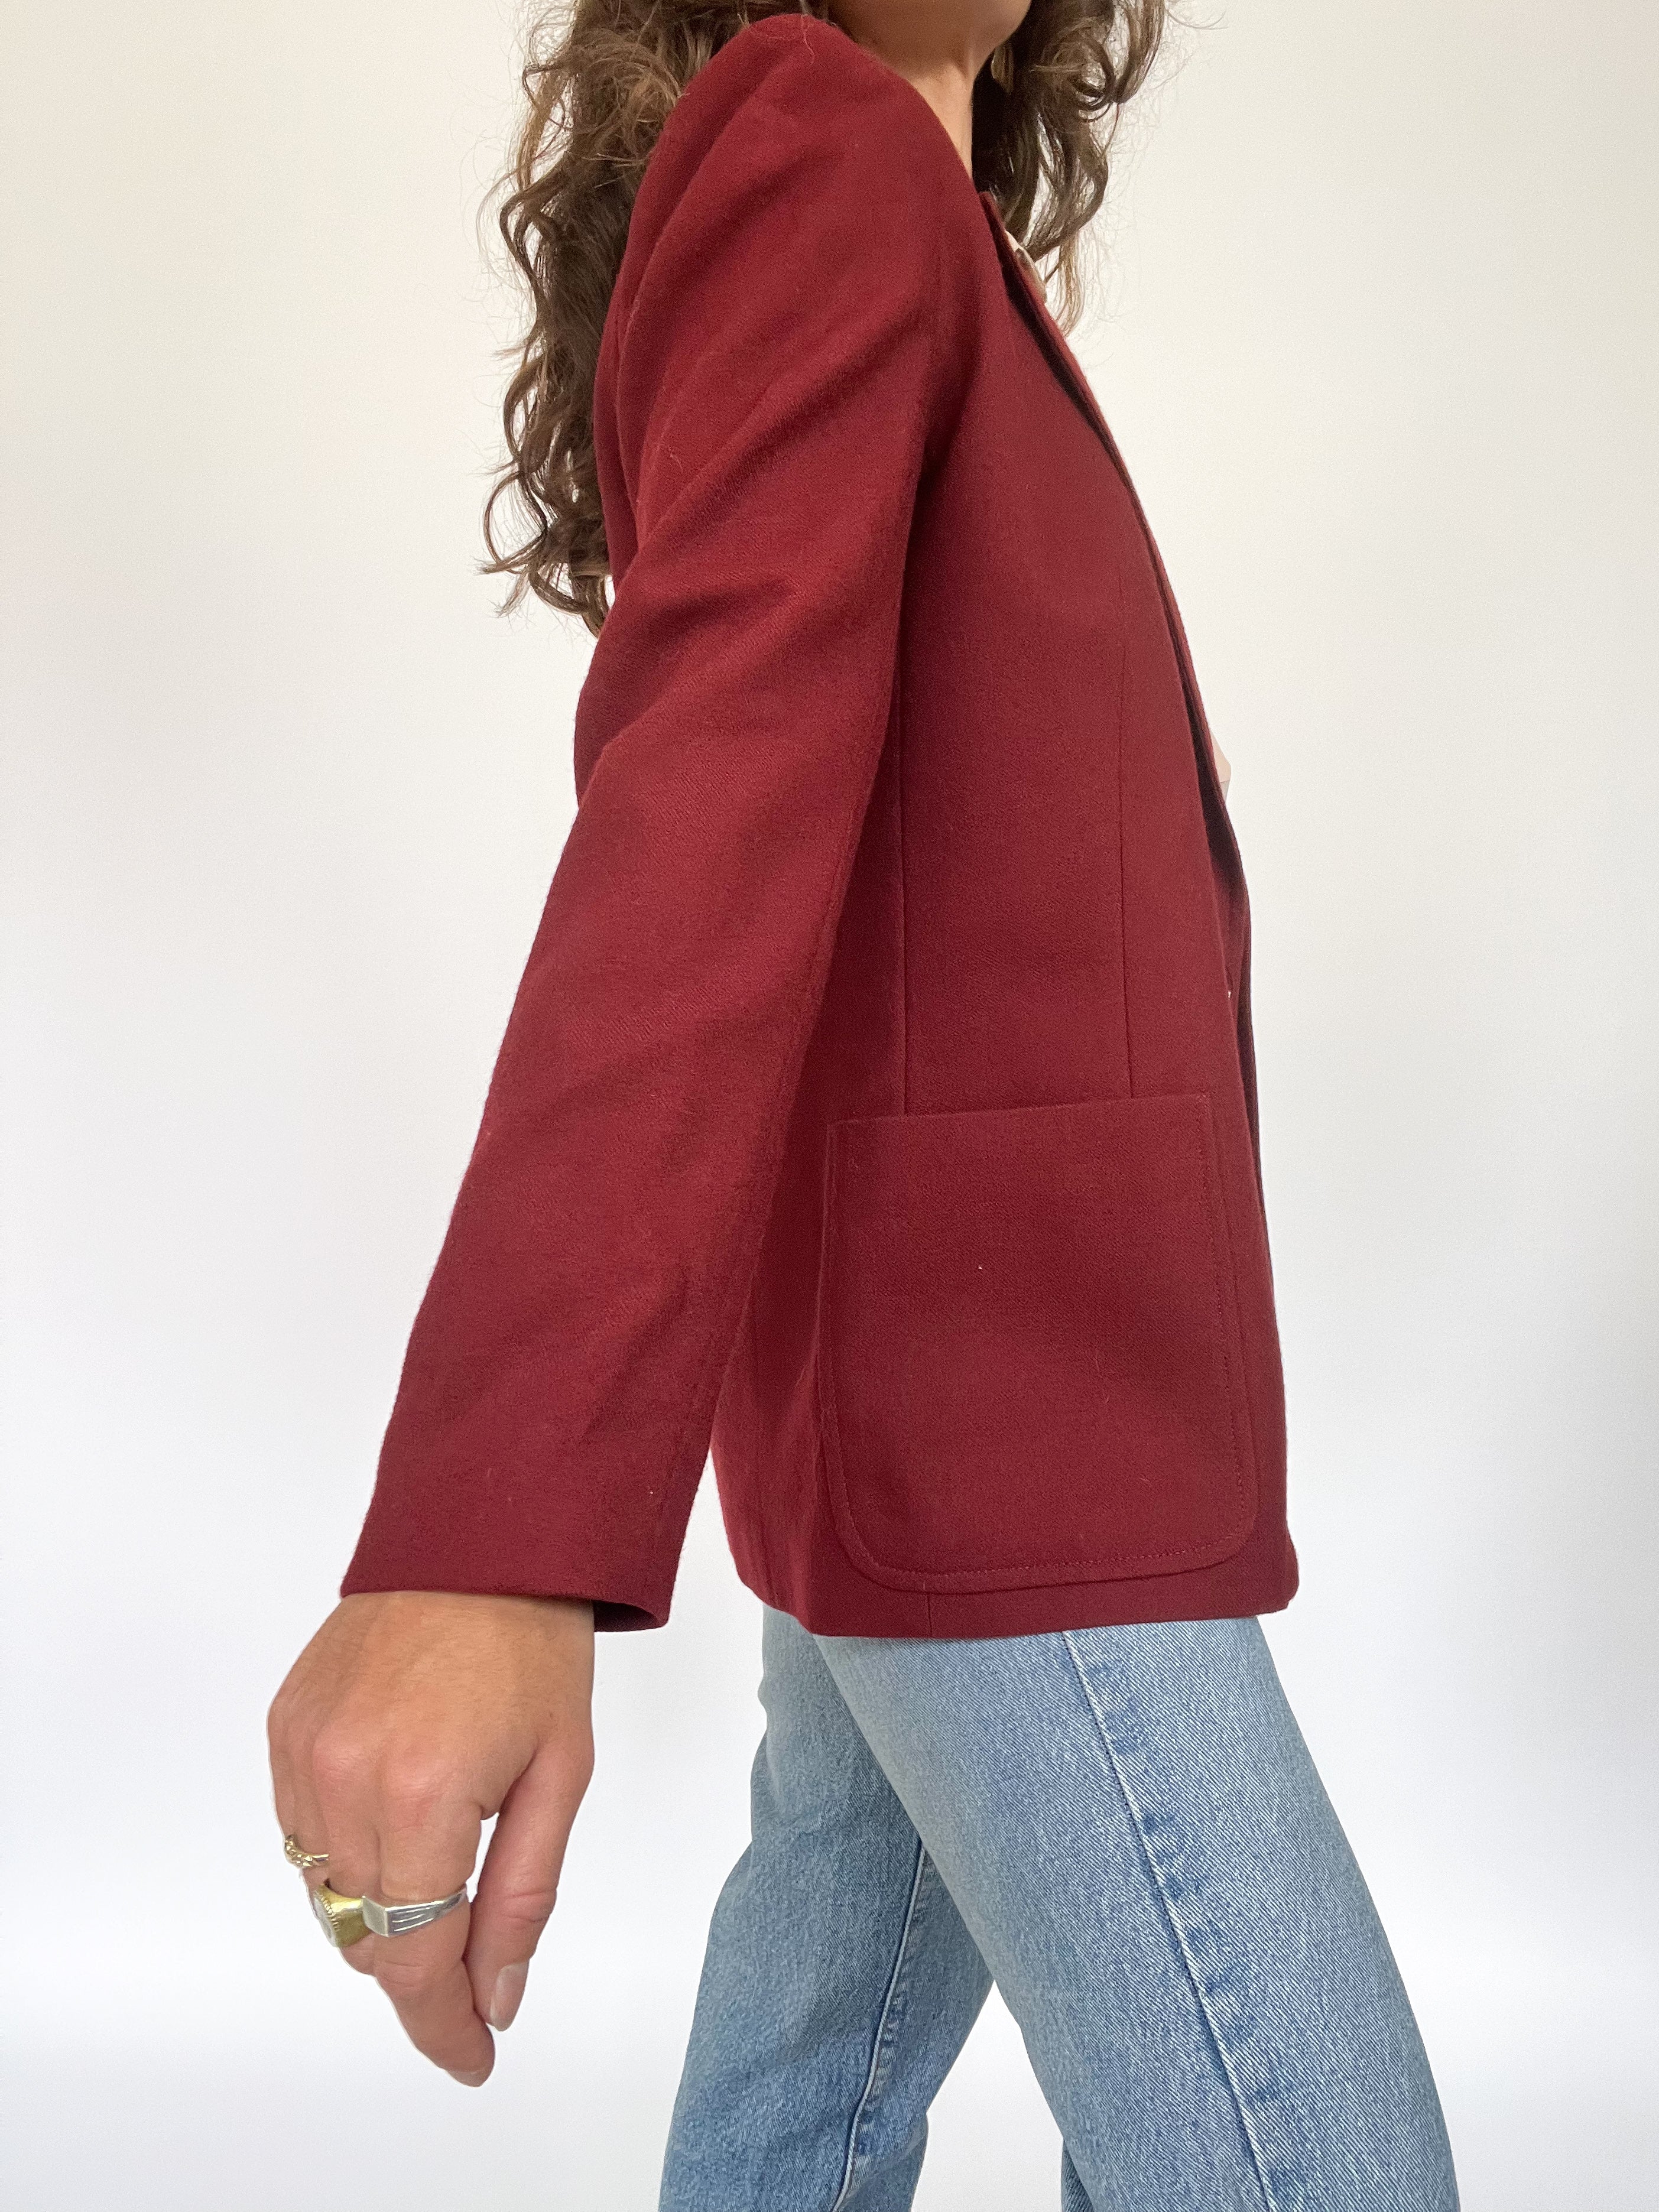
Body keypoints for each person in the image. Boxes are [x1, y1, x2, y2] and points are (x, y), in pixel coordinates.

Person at [267, 2, 1460, 2203]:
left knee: (797, 2108)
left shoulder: (915, 213)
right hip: (1009, 1418)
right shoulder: (818, 140)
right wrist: (484, 1527)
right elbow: (703, 810)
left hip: (919, 1422)